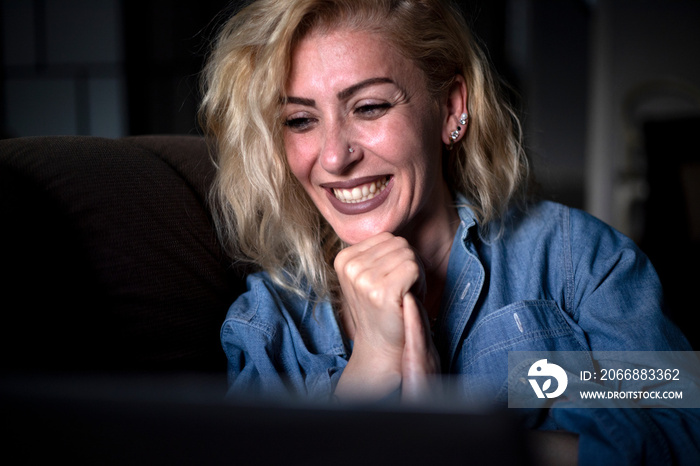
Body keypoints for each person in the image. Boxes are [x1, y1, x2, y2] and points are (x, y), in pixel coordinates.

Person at [200, 0, 700, 463]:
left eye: (369, 107)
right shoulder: (267, 323)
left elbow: (684, 429)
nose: (333, 156)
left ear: (451, 108)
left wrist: (468, 444)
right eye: (301, 119)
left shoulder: (577, 260)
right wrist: (369, 368)